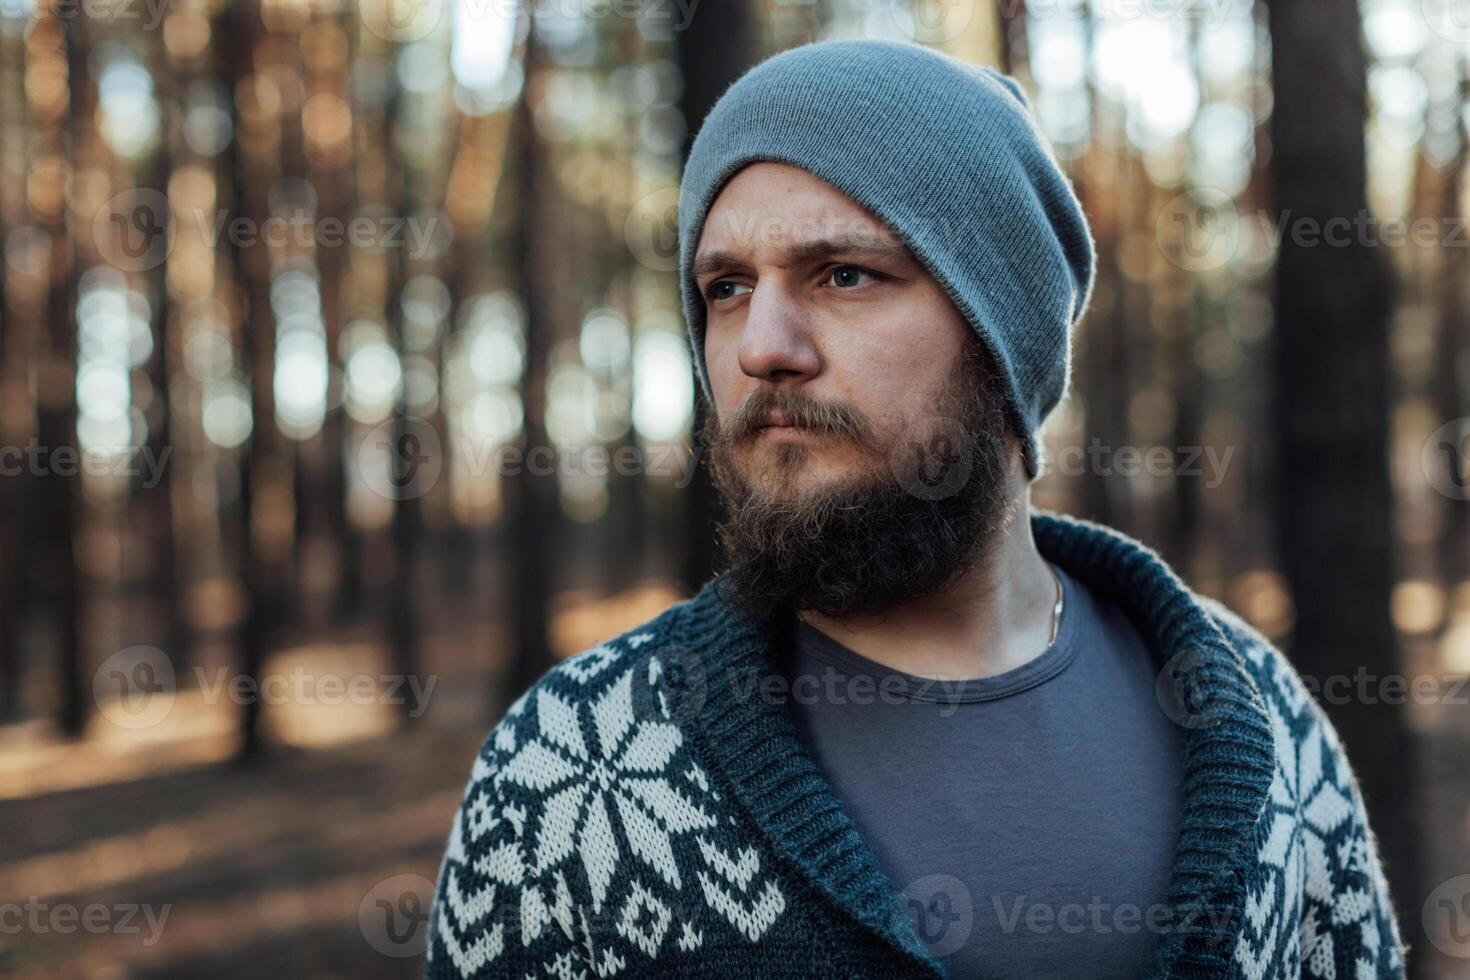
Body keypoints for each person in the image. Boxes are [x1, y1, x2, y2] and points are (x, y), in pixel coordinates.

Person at [426, 39, 1405, 978]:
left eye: (844, 273)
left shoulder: (1259, 717)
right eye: (725, 287)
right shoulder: (570, 771)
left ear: (1002, 334)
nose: (761, 344)